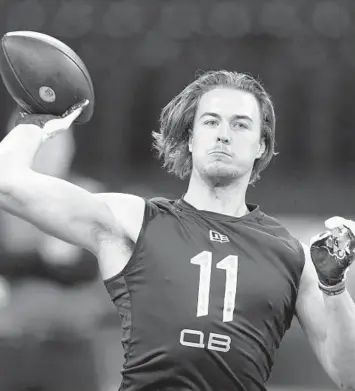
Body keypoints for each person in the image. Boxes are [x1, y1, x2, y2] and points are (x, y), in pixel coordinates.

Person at [0, 70, 354, 391]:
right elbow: (7, 183)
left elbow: (348, 375)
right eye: (211, 122)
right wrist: (37, 119)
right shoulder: (136, 221)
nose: (224, 135)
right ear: (189, 137)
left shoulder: (292, 254)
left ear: (262, 144)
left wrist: (334, 287)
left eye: (241, 125)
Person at [0, 108, 103, 391]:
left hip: (71, 344)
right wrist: (46, 258)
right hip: (10, 344)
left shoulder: (90, 195)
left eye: (56, 140)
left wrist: (34, 263)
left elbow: (91, 267)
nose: (47, 151)